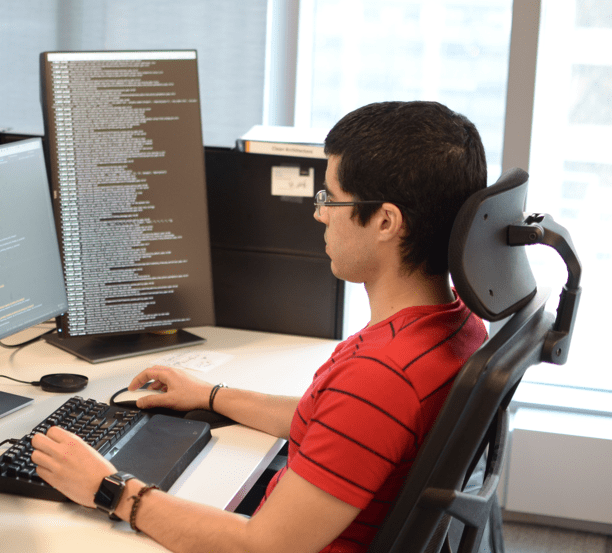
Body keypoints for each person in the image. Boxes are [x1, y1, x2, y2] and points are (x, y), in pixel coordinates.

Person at [30, 100, 490, 553]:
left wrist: (108, 489)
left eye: (331, 197)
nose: (319, 213)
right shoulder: (456, 328)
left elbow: (263, 546)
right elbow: (334, 424)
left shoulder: (380, 377)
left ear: (386, 221)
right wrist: (211, 395)